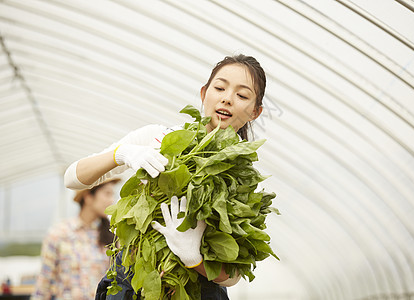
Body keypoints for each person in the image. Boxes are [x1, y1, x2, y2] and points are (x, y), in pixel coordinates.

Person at [64, 54, 266, 299]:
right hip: (132, 287)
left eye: (242, 95)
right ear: (204, 93)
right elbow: (72, 178)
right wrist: (121, 154)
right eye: (220, 88)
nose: (227, 98)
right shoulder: (159, 139)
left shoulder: (241, 179)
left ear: (255, 112)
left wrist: (193, 258)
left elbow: (233, 275)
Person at [32, 178, 120, 300]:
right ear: (88, 197)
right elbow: (44, 283)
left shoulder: (113, 236)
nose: (112, 200)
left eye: (112, 194)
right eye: (107, 193)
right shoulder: (59, 233)